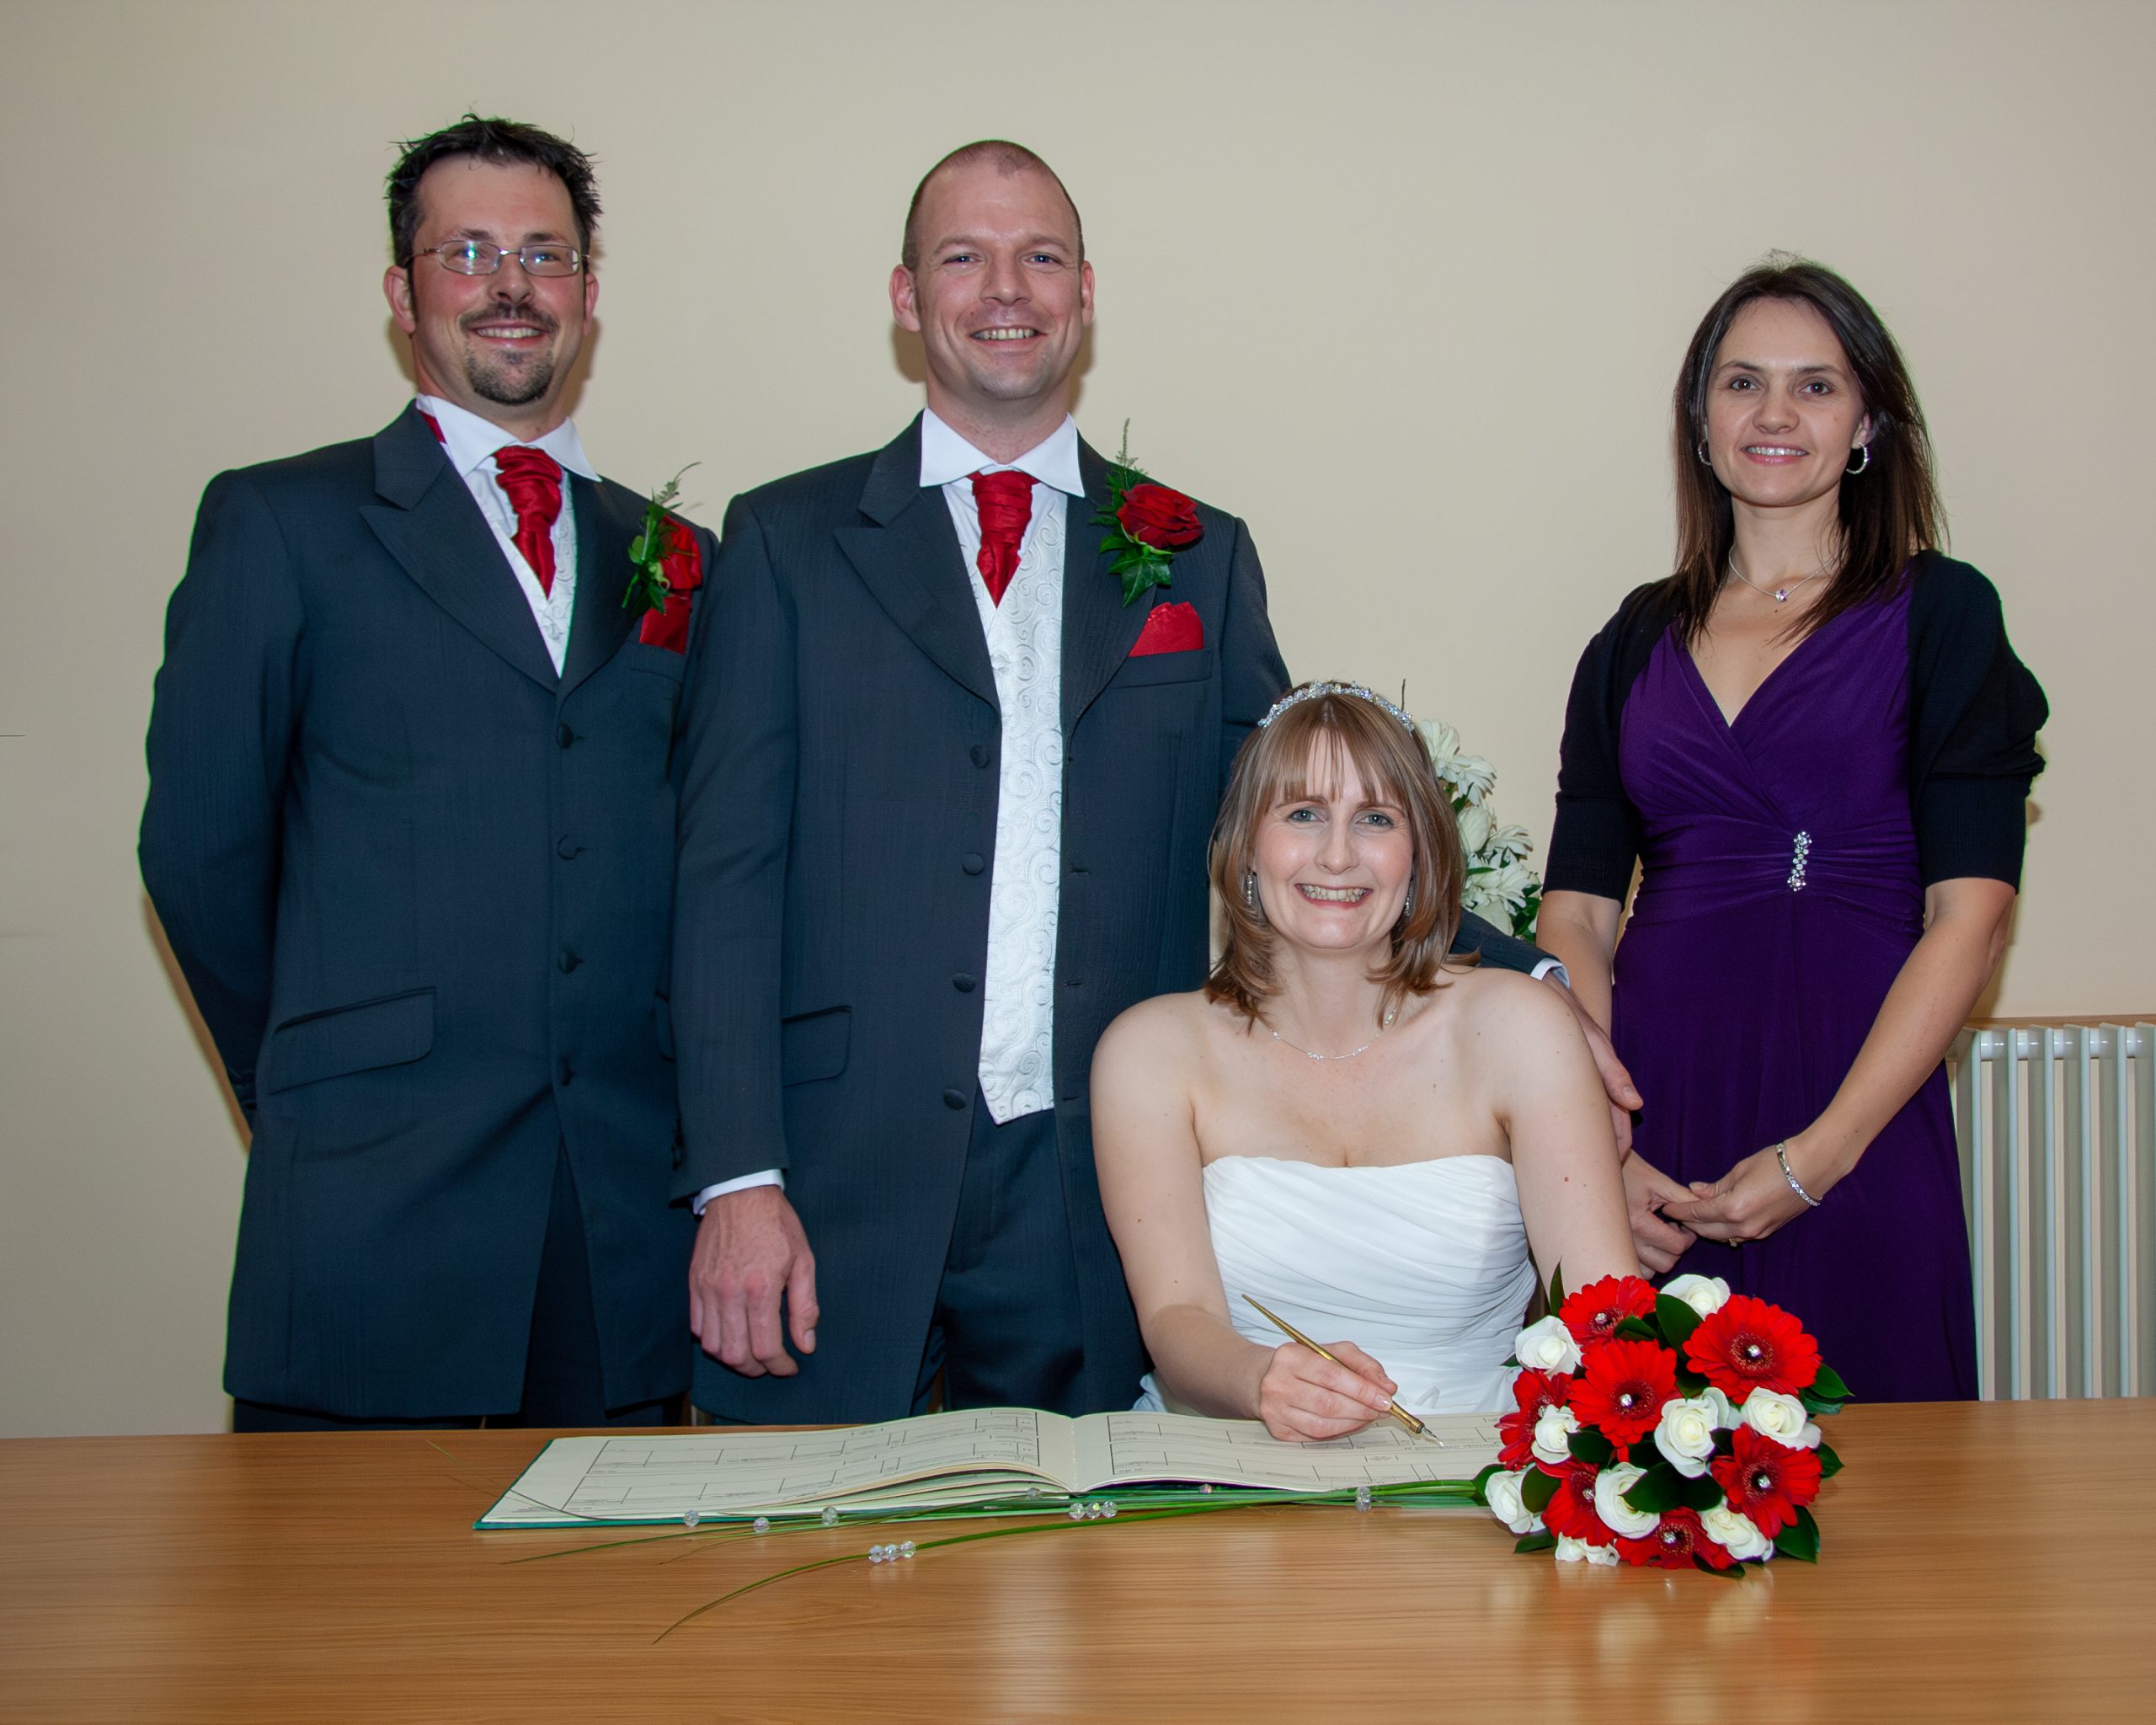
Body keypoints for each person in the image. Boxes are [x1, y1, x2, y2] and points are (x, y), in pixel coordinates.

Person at [671, 142, 1564, 1424]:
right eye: (962, 257)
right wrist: (736, 1181)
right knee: (812, 1595)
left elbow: (1304, 815)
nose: (1006, 288)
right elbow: (724, 875)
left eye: (1040, 257)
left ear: (1086, 294)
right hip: (832, 1173)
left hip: (1096, 1180)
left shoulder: (1196, 555)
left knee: (1073, 1599)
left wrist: (1525, 974)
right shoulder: (784, 542)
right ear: (906, 294)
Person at [140, 115, 712, 1429]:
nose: (511, 286)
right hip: (369, 1205)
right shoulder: (282, 522)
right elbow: (199, 851)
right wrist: (310, 1073)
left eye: (545, 255)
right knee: (342, 1626)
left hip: (617, 1227)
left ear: (586, 297)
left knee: (606, 1629)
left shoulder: (678, 557)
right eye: (469, 252)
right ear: (406, 295)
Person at [1535, 259, 2047, 1402]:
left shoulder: (1945, 614)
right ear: (1701, 421)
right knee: (1650, 1475)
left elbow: (1974, 916)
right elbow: (1574, 912)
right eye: (1743, 383)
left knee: (1892, 1502)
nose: (1775, 415)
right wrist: (1600, 1147)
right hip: (1657, 1121)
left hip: (1859, 1107)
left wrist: (1818, 1160)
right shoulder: (1630, 639)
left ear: (1866, 421)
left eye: (1815, 387)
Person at [1092, 683, 1637, 1436]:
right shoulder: (1150, 1053)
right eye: (1303, 814)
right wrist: (1261, 1380)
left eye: (1375, 818)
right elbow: (1176, 1318)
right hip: (1229, 1464)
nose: (1339, 854)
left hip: (1482, 1475)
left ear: (1419, 854)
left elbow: (1605, 1309)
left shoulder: (1519, 1028)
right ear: (1248, 844)